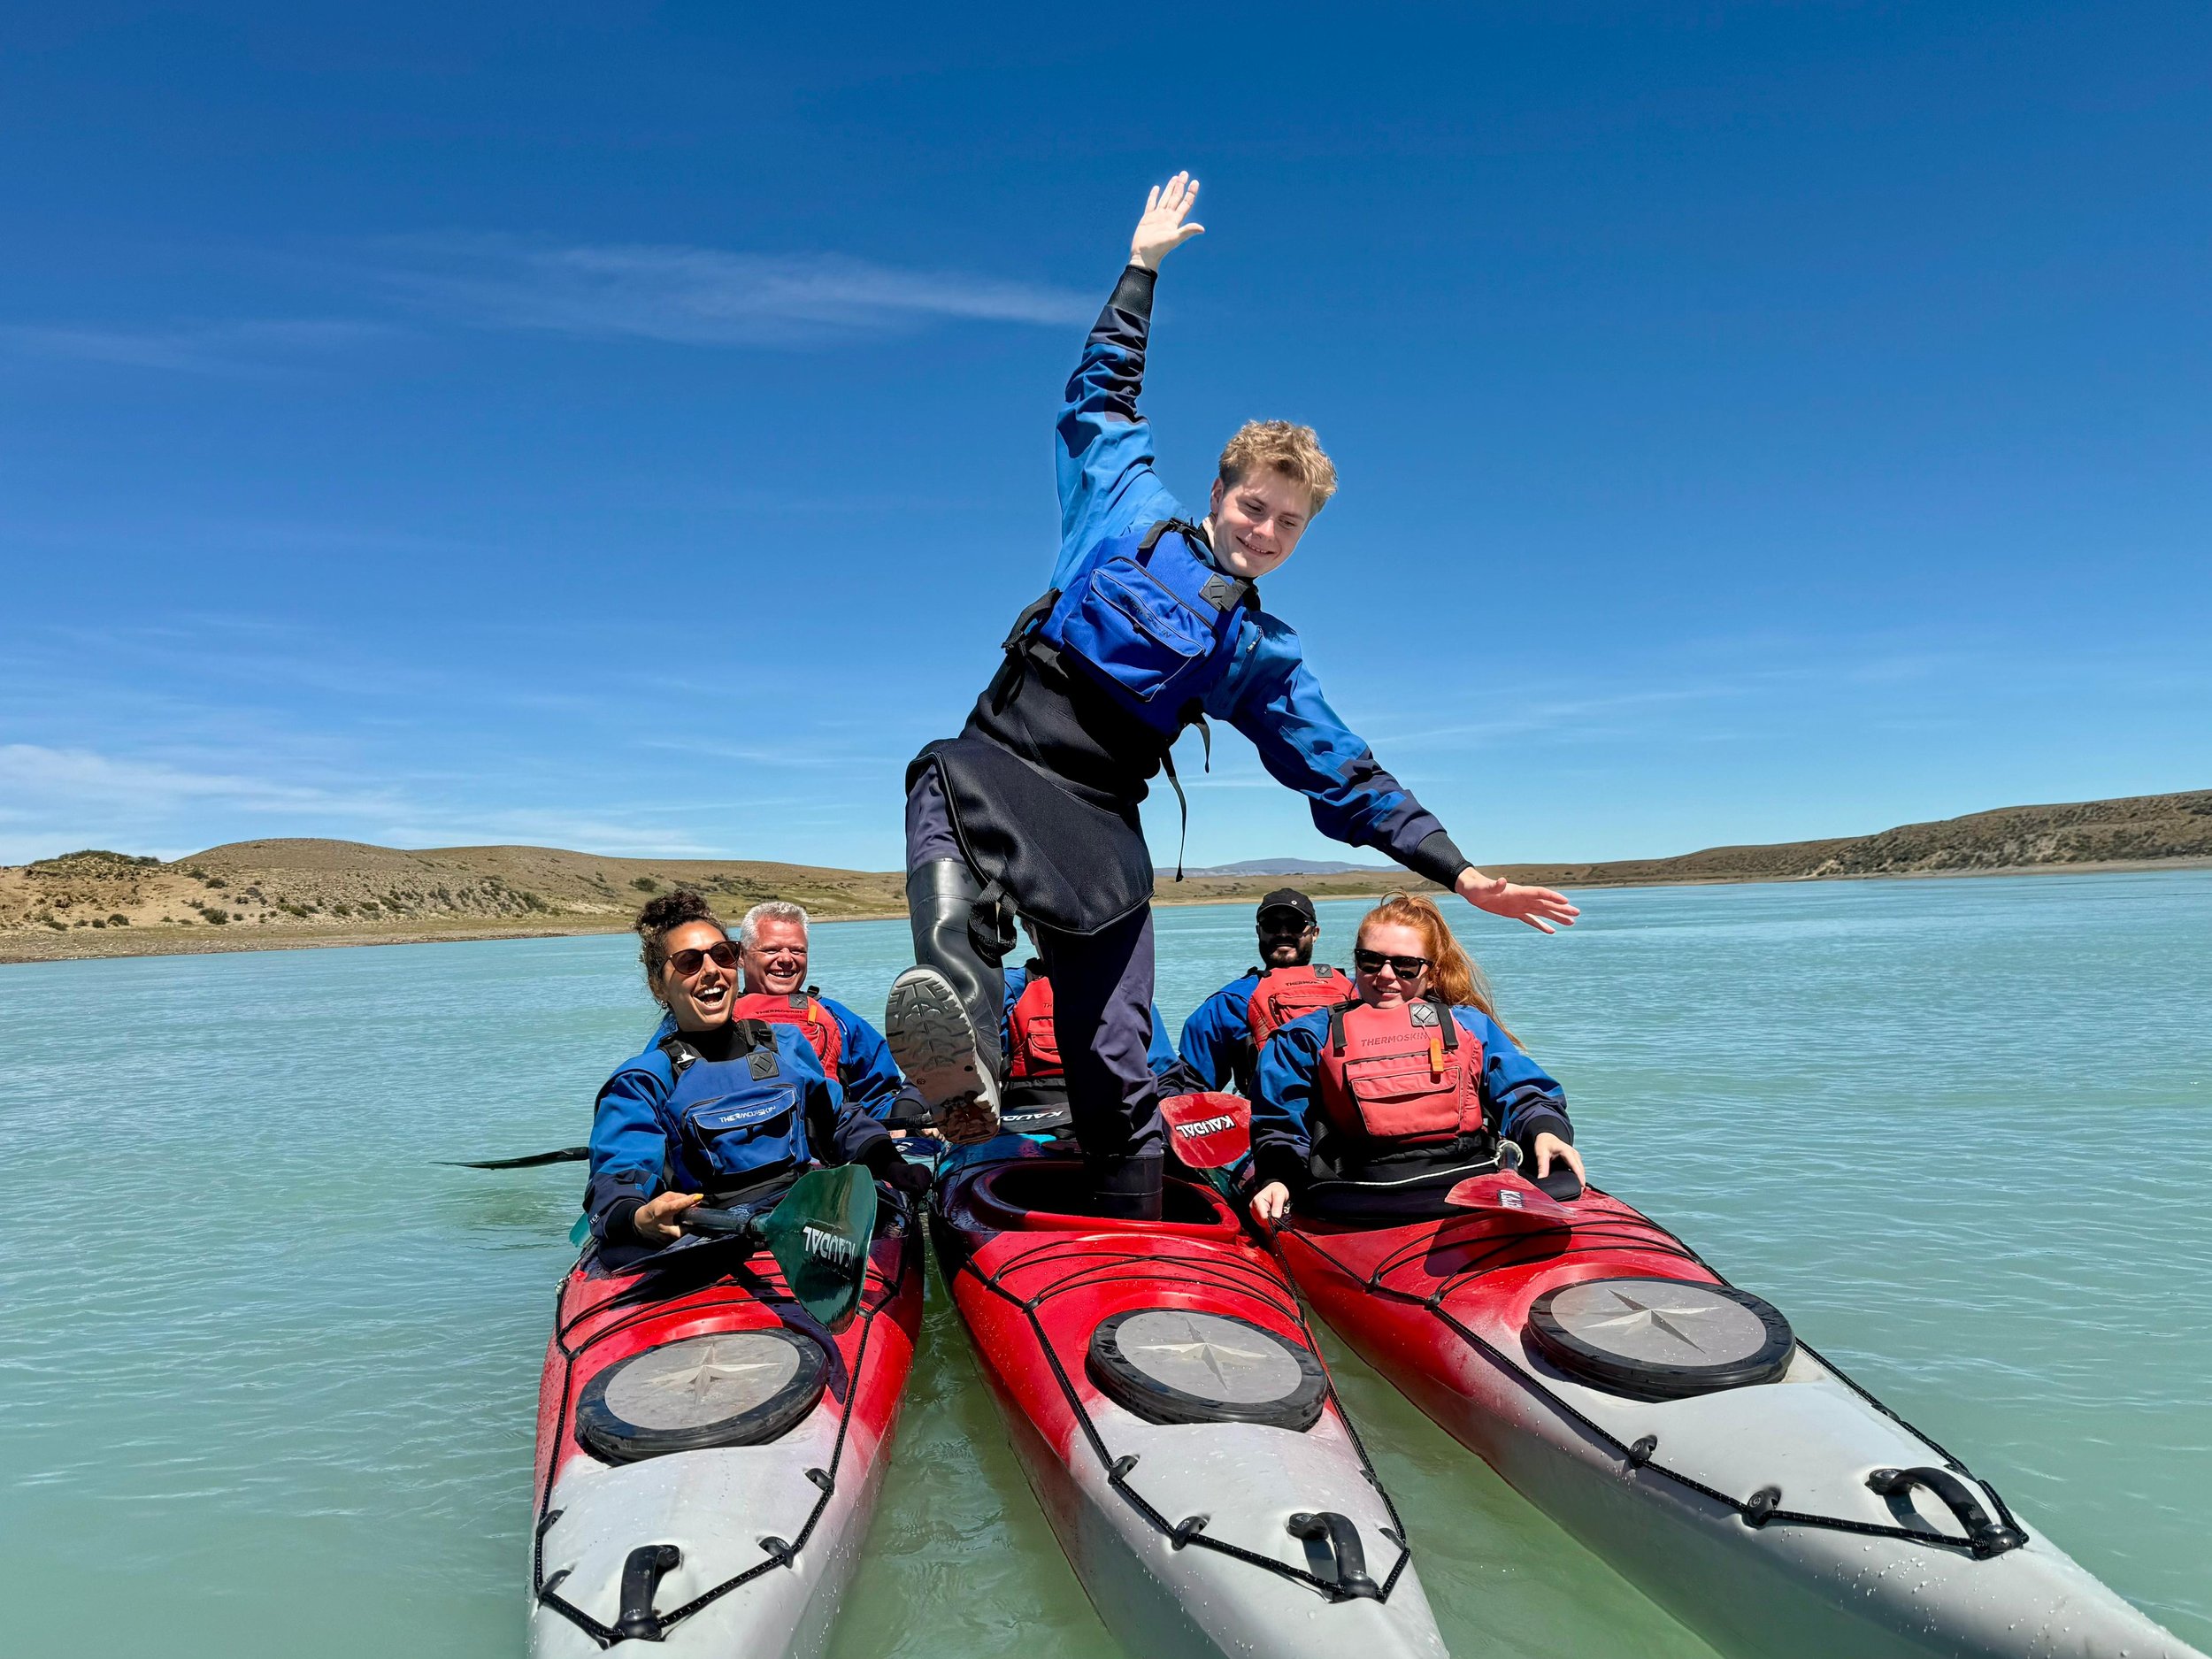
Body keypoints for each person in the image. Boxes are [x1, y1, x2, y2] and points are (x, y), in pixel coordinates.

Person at [886, 172, 1578, 1219]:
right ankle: (964, 1063)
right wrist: (1140, 270)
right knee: (935, 777)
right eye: (1256, 506)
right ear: (1219, 491)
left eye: (1288, 525)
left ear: (1302, 538)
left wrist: (1462, 871)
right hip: (999, 756)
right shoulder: (1124, 504)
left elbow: (1342, 771)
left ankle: (1138, 1235)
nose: (1264, 531)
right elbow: (1098, 399)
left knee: (1116, 1048)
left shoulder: (1257, 650)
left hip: (1097, 817)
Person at [586, 892, 927, 1264]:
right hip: (710, 1237)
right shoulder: (643, 1080)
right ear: (658, 986)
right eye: (689, 962)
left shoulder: (785, 1045)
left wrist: (892, 1164)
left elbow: (839, 1121)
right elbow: (619, 1177)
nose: (711, 971)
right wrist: (637, 1217)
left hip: (803, 1220)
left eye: (722, 955)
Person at [1248, 892, 1586, 1225]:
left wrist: (1546, 1132)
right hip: (1354, 1196)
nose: (1385, 975)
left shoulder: (1468, 1026)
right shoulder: (1303, 1038)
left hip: (1471, 1182)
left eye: (1406, 965)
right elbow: (1279, 1125)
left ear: (1432, 972)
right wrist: (1277, 1177)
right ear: (1356, 961)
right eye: (1370, 960)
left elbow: (1524, 1093)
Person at [726, 900, 929, 1126]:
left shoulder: (836, 1017)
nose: (785, 959)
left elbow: (878, 1095)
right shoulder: (715, 1018)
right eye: (771, 949)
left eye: (797, 951)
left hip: (833, 1148)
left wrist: (907, 1113)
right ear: (741, 956)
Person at [1002, 918, 1179, 1137]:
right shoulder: (1007, 990)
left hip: (1111, 1131)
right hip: (1021, 1133)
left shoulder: (1126, 994)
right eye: (1051, 928)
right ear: (1030, 931)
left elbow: (1165, 1075)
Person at [1178, 888, 1356, 1097]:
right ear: (1259, 931)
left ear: (1315, 933)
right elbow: (1191, 1084)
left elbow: (1186, 1089)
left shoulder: (1353, 992)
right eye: (1271, 925)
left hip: (1276, 1127)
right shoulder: (1230, 1003)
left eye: (1296, 925)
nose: (1283, 933)